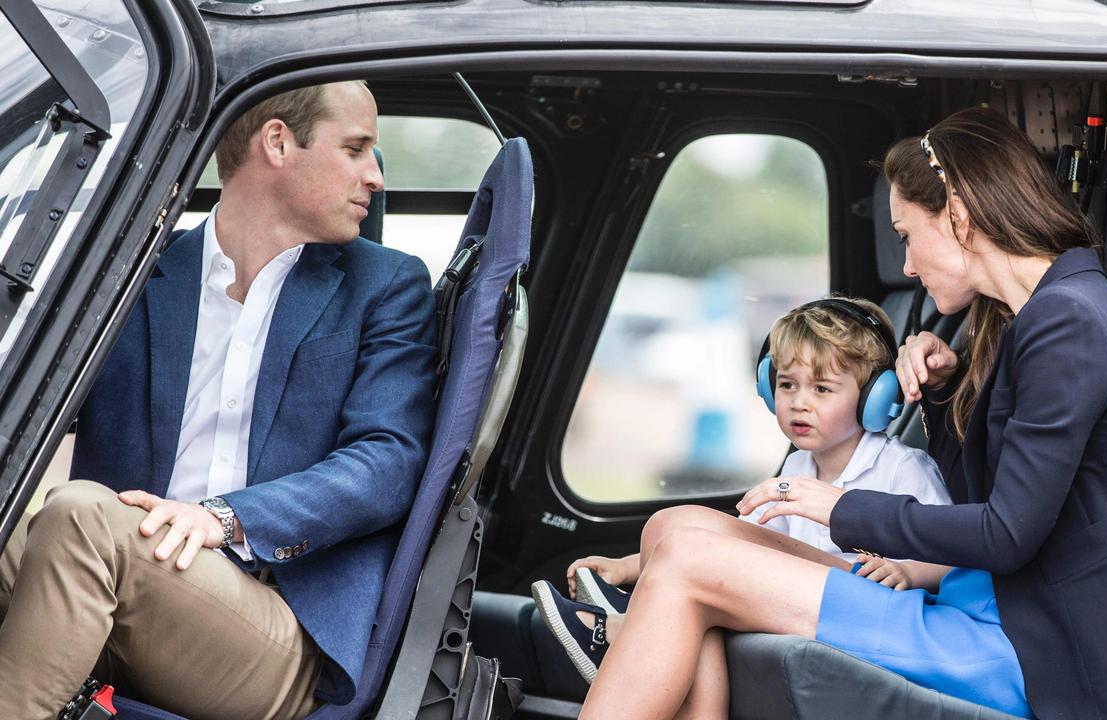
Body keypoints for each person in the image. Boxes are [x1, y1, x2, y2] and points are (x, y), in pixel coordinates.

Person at [557, 106, 1107, 720]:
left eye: (906, 235)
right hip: (978, 604)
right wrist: (945, 389)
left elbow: (1005, 535)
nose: (908, 267)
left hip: (1024, 649)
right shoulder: (1027, 318)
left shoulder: (1070, 321)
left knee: (688, 561)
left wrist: (837, 507)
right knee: (674, 528)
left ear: (958, 214)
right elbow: (981, 493)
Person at [0, 81, 437, 719]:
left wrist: (226, 517)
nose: (375, 176)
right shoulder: (136, 273)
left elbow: (388, 461)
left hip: (275, 627)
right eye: (357, 148)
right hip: (114, 579)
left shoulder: (387, 285)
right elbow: (36, 396)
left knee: (80, 514)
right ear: (279, 143)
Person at [533, 297, 952, 683]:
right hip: (805, 599)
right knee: (703, 598)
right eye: (787, 385)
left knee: (704, 595)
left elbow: (953, 557)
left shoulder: (902, 468)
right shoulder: (796, 466)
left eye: (822, 389)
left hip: (870, 608)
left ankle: (620, 632)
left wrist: (909, 571)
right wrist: (625, 568)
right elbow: (727, 543)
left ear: (875, 398)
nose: (799, 402)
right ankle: (632, 623)